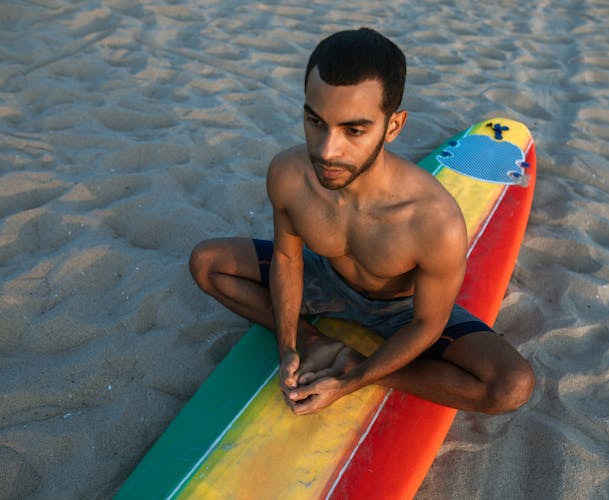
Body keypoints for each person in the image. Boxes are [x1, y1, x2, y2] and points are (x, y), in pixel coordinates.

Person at [190, 28, 534, 416]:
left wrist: (353, 379)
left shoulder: (434, 221)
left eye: (354, 130)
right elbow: (288, 261)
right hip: (324, 277)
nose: (326, 150)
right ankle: (315, 340)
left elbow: (426, 324)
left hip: (403, 309)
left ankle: (364, 366)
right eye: (315, 122)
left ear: (393, 126)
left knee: (511, 386)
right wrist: (290, 345)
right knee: (207, 263)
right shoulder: (289, 174)